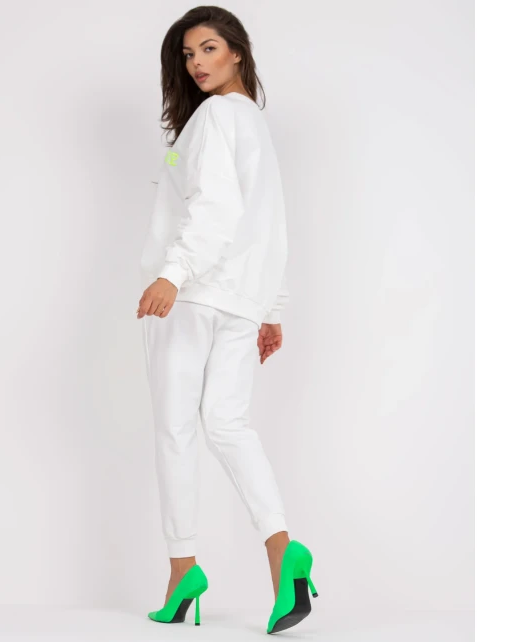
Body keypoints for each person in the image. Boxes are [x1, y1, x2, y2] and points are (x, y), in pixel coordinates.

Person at [136, 7, 318, 634]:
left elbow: (214, 207)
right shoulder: (253, 123)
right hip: (241, 301)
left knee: (175, 430)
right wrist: (271, 308)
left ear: (237, 50)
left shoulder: (215, 116)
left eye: (209, 48)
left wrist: (173, 273)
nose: (197, 63)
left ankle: (182, 568)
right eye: (188, 55)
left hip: (189, 297)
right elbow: (270, 222)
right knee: (228, 424)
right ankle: (283, 550)